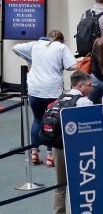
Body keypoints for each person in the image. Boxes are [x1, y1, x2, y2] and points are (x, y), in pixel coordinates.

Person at [12, 30, 77, 167]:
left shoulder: (35, 45)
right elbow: (73, 66)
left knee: (37, 120)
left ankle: (34, 152)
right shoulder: (61, 47)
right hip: (52, 90)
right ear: (60, 39)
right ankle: (50, 156)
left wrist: (30, 60)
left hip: (35, 89)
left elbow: (15, 48)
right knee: (52, 120)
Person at [51, 71, 94, 214]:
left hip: (57, 146)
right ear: (80, 85)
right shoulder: (83, 102)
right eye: (90, 85)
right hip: (75, 147)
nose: (91, 88)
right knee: (76, 184)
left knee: (60, 183)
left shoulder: (60, 98)